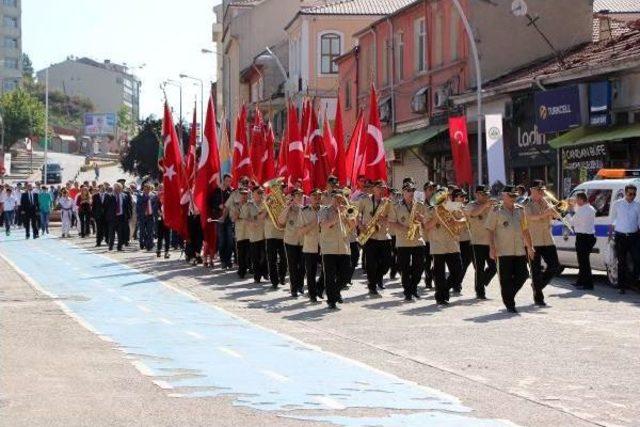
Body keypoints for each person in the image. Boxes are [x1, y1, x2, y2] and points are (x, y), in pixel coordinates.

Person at [486, 185, 535, 313]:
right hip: (503, 250)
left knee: (523, 275)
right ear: (504, 195)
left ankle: (509, 295)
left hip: (519, 249)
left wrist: (530, 247)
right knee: (505, 278)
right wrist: (492, 248)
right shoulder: (496, 210)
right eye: (511, 196)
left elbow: (525, 230)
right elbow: (490, 230)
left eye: (515, 196)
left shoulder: (520, 210)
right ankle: (510, 304)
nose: (513, 198)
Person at [387, 181, 426, 302]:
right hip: (403, 241)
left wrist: (422, 219)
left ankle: (413, 287)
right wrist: (404, 228)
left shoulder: (419, 205)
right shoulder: (396, 206)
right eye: (408, 190)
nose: (411, 193)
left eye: (413, 190)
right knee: (404, 268)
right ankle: (408, 291)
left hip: (417, 240)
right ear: (403, 192)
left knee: (419, 267)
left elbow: (426, 222)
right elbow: (391, 222)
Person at [423, 189, 463, 306]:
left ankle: (444, 290)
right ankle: (440, 297)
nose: (445, 200)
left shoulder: (453, 207)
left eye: (445, 197)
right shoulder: (430, 210)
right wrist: (437, 217)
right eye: (441, 198)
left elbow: (464, 219)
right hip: (437, 244)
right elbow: (426, 226)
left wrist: (457, 221)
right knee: (439, 273)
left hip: (452, 244)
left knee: (458, 271)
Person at [525, 180, 562, 307]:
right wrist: (546, 213)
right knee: (535, 270)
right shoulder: (527, 204)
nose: (542, 192)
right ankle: (538, 298)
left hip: (547, 239)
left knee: (555, 266)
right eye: (539, 190)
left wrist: (556, 211)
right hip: (533, 240)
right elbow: (531, 217)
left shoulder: (547, 202)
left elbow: (557, 216)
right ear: (532, 190)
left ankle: (538, 285)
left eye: (542, 190)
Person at [319, 190, 355, 309]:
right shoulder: (324, 210)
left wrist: (348, 213)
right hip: (329, 248)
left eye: (341, 198)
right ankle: (332, 300)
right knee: (330, 276)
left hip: (344, 247)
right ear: (331, 198)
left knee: (346, 275)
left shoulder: (345, 210)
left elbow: (352, 225)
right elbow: (325, 225)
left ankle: (334, 292)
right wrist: (338, 214)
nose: (338, 201)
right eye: (336, 198)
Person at [356, 179, 391, 295]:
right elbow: (356, 213)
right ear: (374, 189)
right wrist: (360, 225)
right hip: (369, 236)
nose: (381, 190)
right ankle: (372, 285)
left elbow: (392, 219)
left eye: (383, 188)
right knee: (371, 263)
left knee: (386, 263)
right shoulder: (365, 200)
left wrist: (384, 220)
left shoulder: (387, 202)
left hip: (383, 236)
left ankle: (379, 277)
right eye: (379, 188)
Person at [464, 185, 497, 299]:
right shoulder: (471, 205)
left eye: (487, 194)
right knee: (479, 268)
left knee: (494, 267)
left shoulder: (491, 207)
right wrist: (485, 205)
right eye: (483, 194)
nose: (486, 196)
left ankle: (481, 283)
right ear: (476, 194)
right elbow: (473, 213)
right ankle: (480, 292)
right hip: (476, 242)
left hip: (490, 242)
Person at [608, 184, 640, 294]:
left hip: (634, 236)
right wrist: (610, 234)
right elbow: (612, 220)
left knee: (637, 259)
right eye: (630, 194)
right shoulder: (617, 204)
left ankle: (633, 283)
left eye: (634, 194)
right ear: (625, 193)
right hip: (620, 236)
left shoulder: (638, 205)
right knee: (621, 262)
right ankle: (622, 286)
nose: (632, 196)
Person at [278, 188, 305, 298]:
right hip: (291, 242)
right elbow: (280, 221)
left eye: (301, 195)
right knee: (293, 266)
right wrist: (287, 207)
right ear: (292, 197)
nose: (300, 197)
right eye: (297, 195)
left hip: (303, 242)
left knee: (303, 266)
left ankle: (300, 285)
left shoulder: (305, 209)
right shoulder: (287, 210)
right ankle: (294, 289)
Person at [299, 188, 323, 302]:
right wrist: (314, 223)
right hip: (310, 245)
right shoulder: (304, 211)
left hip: (324, 244)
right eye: (315, 196)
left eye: (319, 196)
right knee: (311, 272)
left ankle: (319, 287)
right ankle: (312, 295)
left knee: (328, 270)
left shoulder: (325, 210)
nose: (317, 198)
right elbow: (300, 231)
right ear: (310, 198)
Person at [263, 181, 287, 289]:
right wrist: (268, 207)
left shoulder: (285, 200)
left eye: (280, 187)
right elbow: (261, 217)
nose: (279, 190)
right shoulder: (268, 199)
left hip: (283, 233)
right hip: (271, 233)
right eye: (277, 187)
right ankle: (274, 280)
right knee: (271, 259)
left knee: (284, 258)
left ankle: (282, 276)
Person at [242, 186, 267, 283]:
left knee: (265, 255)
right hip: (254, 235)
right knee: (256, 257)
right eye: (259, 192)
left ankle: (265, 272)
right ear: (253, 194)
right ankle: (257, 276)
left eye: (262, 192)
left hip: (265, 234)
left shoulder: (266, 204)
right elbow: (245, 219)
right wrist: (254, 222)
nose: (261, 194)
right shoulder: (248, 205)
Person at [571, 192, 596, 290]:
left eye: (577, 200)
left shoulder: (582, 210)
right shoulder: (590, 208)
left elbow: (572, 222)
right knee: (583, 261)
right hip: (589, 237)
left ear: (581, 200)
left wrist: (567, 213)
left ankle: (588, 284)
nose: (576, 202)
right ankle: (580, 281)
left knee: (584, 262)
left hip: (583, 238)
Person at [450, 188, 472, 294]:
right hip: (456, 240)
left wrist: (460, 221)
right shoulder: (450, 207)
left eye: (464, 196)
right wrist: (462, 220)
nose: (464, 198)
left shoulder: (464, 207)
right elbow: (454, 222)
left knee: (465, 263)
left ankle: (457, 283)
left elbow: (468, 219)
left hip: (467, 239)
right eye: (462, 196)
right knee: (458, 265)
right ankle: (454, 283)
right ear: (456, 197)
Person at [212, 174, 234, 269]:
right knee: (222, 241)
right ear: (223, 180)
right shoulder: (217, 191)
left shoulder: (231, 192)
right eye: (227, 180)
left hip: (229, 219)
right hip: (219, 219)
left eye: (230, 181)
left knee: (230, 241)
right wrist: (218, 206)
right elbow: (211, 203)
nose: (229, 182)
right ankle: (223, 261)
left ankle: (228, 260)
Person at [228, 188, 250, 278]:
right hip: (240, 232)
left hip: (249, 232)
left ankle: (249, 267)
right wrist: (239, 207)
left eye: (245, 194)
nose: (244, 196)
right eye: (242, 194)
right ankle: (242, 271)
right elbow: (233, 218)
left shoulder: (250, 205)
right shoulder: (235, 206)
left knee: (249, 253)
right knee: (241, 252)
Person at [421, 182, 436, 289]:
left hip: (437, 237)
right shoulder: (421, 205)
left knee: (437, 261)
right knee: (427, 261)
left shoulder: (438, 203)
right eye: (430, 189)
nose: (432, 191)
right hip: (426, 237)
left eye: (433, 189)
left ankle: (433, 277)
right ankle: (428, 280)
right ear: (425, 191)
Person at [108, 183, 131, 251]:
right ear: (114, 189)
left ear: (121, 189)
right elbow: (107, 207)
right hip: (113, 217)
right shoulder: (110, 196)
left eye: (118, 188)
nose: (117, 189)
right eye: (116, 188)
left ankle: (119, 246)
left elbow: (128, 206)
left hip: (121, 217)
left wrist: (128, 215)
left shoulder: (125, 196)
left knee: (120, 232)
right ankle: (111, 246)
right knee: (111, 233)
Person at [137, 184, 157, 251]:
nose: (146, 191)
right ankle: (142, 243)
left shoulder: (153, 196)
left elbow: (155, 205)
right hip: (142, 216)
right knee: (142, 232)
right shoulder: (140, 196)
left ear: (150, 189)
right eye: (145, 189)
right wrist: (147, 197)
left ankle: (149, 245)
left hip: (150, 216)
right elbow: (139, 204)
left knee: (150, 231)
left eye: (148, 189)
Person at [155, 184, 171, 259]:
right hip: (161, 219)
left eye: (162, 188)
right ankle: (159, 250)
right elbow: (156, 207)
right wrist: (160, 213)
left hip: (166, 219)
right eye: (160, 188)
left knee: (166, 236)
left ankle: (165, 252)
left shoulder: (168, 197)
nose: (161, 189)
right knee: (161, 236)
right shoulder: (157, 197)